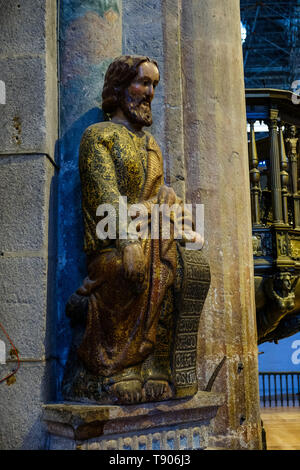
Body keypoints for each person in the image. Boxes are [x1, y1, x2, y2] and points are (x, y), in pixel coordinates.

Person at [62, 55, 205, 405]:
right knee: (131, 268)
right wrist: (127, 240)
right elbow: (104, 195)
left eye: (153, 85)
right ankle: (112, 371)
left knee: (178, 266)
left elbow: (158, 195)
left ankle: (155, 363)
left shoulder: (150, 144)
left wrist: (170, 207)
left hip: (152, 234)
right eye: (143, 83)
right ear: (119, 88)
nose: (149, 93)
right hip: (111, 243)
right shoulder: (99, 136)